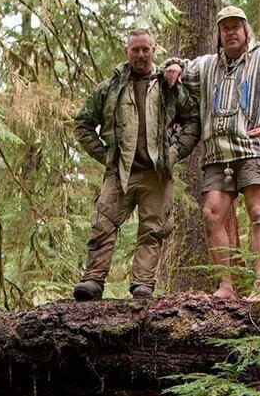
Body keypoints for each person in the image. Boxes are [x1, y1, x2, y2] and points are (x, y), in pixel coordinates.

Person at [162, 6, 260, 302]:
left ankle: (259, 286)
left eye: (235, 26)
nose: (230, 32)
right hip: (216, 155)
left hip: (254, 149)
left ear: (246, 30)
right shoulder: (207, 66)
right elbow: (178, 67)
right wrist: (174, 66)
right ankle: (226, 285)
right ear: (219, 34)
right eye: (225, 28)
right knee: (211, 213)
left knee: (258, 212)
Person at [72, 28, 201, 301]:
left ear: (154, 50)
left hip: (157, 173)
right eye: (135, 50)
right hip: (120, 172)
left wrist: (174, 153)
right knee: (103, 224)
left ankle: (143, 284)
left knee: (153, 230)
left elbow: (193, 120)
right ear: (126, 52)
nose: (140, 55)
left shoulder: (168, 87)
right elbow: (83, 124)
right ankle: (93, 280)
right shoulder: (109, 88)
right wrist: (106, 155)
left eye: (145, 49)